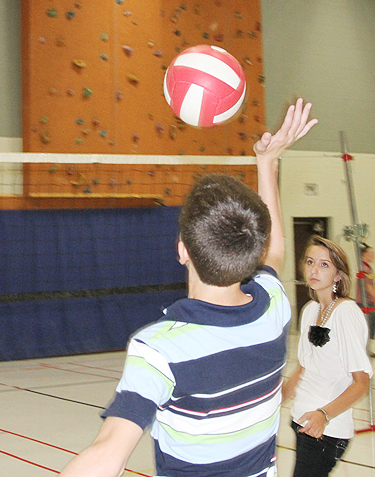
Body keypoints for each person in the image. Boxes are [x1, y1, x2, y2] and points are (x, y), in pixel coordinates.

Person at [58, 99, 317, 477]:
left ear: (182, 249)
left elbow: (110, 450)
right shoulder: (274, 307)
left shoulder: (160, 350)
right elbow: (275, 251)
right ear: (252, 251)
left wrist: (266, 161)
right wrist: (268, 162)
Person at [282, 236, 372, 477]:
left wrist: (324, 415)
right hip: (301, 420)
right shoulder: (309, 310)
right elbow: (303, 369)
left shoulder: (346, 312)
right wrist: (276, 401)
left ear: (338, 275)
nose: (314, 269)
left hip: (327, 431)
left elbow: (361, 383)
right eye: (310, 262)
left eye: (324, 265)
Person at [355, 245, 375, 358]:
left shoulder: (367, 268)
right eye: (370, 253)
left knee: (369, 327)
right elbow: (367, 286)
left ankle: (367, 349)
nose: (373, 256)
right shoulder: (364, 269)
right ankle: (363, 350)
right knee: (365, 327)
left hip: (368, 301)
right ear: (364, 255)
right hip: (365, 302)